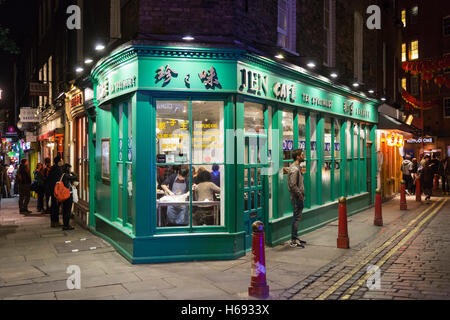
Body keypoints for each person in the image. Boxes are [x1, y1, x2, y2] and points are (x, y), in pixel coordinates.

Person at [287, 149, 306, 248]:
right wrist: (300, 195)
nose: (304, 156)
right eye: (302, 155)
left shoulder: (297, 167)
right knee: (296, 218)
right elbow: (293, 185)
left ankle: (295, 237)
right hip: (297, 197)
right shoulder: (294, 169)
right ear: (298, 157)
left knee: (297, 217)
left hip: (298, 196)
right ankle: (293, 240)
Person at [47, 155, 64, 227]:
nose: (62, 161)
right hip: (56, 190)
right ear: (59, 162)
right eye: (61, 160)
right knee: (56, 206)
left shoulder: (52, 168)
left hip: (52, 189)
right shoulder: (58, 169)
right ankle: (56, 222)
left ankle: (53, 221)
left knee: (54, 206)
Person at [60, 163, 78, 230]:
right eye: (70, 168)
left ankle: (65, 224)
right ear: (68, 168)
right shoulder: (66, 175)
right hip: (68, 195)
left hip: (64, 195)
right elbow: (75, 177)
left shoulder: (62, 175)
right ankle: (66, 225)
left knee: (65, 210)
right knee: (67, 211)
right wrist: (72, 172)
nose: (70, 169)